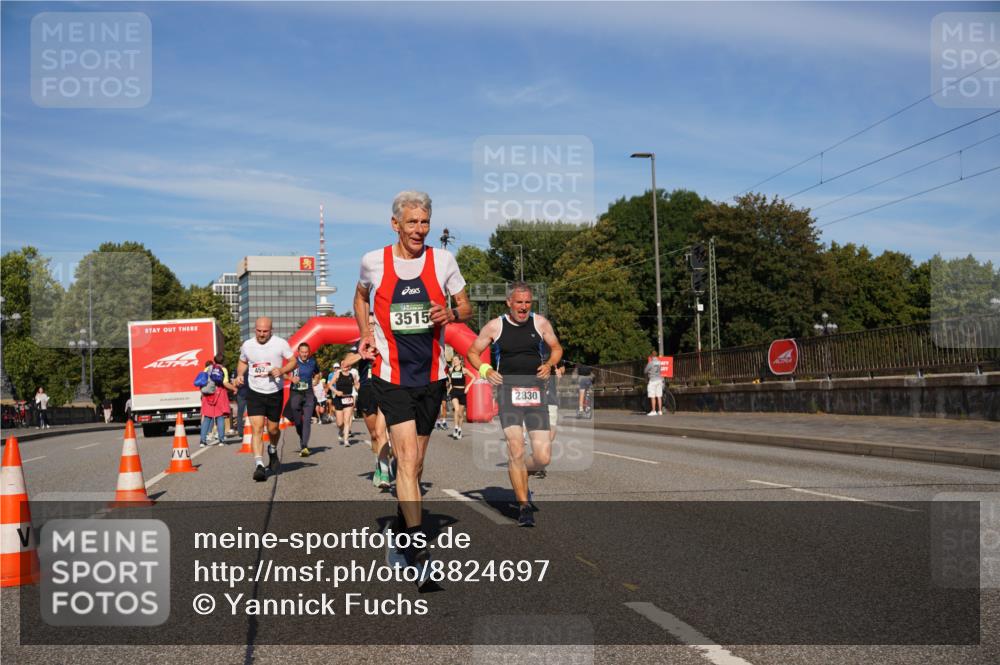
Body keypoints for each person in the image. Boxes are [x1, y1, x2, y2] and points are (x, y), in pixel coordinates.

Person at [354, 190, 471, 572]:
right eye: (412, 223)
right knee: (405, 459)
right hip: (392, 377)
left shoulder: (443, 261)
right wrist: (365, 332)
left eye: (424, 223)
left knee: (417, 464)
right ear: (395, 224)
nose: (419, 230)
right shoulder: (374, 261)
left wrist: (450, 314)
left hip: (433, 376)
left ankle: (402, 531)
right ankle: (418, 550)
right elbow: (360, 298)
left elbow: (466, 307)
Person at [467, 281, 563, 527]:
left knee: (543, 457)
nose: (523, 307)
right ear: (509, 302)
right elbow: (472, 353)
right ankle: (523, 507)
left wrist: (550, 364)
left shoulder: (540, 323)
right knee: (516, 448)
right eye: (519, 302)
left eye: (527, 302)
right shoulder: (495, 326)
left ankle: (521, 475)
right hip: (508, 393)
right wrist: (486, 370)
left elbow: (556, 348)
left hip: (535, 392)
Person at [234, 317, 297, 482]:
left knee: (274, 429)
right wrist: (240, 375)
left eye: (265, 331)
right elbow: (242, 361)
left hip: (274, 391)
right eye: (258, 331)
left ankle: (273, 449)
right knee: (257, 428)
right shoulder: (247, 345)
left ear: (271, 330)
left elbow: (293, 362)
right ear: (255, 329)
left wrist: (282, 369)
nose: (261, 334)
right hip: (255, 391)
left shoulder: (280, 343)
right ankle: (259, 465)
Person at [341, 316, 393, 490]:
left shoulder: (388, 341)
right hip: (366, 391)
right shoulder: (359, 344)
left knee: (381, 432)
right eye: (368, 324)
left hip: (385, 389)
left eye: (374, 324)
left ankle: (385, 472)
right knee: (373, 435)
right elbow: (345, 362)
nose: (371, 327)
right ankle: (379, 464)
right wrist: (361, 354)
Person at [283, 342, 321, 457]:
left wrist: (316, 380)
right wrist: (291, 378)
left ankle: (304, 446)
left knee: (307, 420)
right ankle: (301, 436)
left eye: (306, 352)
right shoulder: (293, 362)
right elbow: (282, 373)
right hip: (295, 393)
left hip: (309, 393)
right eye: (302, 352)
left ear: (308, 352)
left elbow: (318, 373)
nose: (304, 354)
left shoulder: (313, 362)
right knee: (298, 421)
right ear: (298, 352)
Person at [199, 355, 234, 447]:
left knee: (207, 417)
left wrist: (202, 393)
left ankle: (202, 441)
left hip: (208, 394)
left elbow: (202, 381)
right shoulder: (223, 369)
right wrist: (234, 388)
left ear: (214, 360)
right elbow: (225, 383)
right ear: (223, 361)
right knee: (220, 417)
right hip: (220, 394)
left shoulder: (207, 368)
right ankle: (221, 440)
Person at [539, 360, 565, 479]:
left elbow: (562, 367)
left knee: (551, 430)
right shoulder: (532, 352)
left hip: (551, 398)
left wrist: (560, 371)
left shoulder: (554, 352)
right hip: (537, 398)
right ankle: (540, 461)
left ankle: (540, 455)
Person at [447, 355, 474, 440]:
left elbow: (474, 377)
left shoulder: (464, 370)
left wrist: (468, 387)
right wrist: (450, 389)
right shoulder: (451, 370)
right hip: (454, 391)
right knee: (456, 409)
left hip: (462, 392)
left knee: (461, 414)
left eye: (456, 360)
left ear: (460, 361)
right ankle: (455, 428)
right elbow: (451, 382)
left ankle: (459, 429)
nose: (454, 361)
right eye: (453, 360)